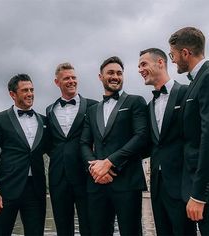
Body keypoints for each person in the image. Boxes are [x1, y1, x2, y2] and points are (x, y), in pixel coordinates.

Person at [80, 56, 149, 236]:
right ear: (100, 76)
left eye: (119, 73)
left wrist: (109, 163)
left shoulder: (136, 101)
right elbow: (84, 143)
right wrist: (95, 168)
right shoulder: (92, 110)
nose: (115, 76)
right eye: (110, 73)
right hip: (97, 184)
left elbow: (141, 136)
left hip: (127, 182)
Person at [138, 48, 196, 236]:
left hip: (183, 186)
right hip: (157, 187)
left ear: (161, 62)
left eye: (143, 64)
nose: (140, 69)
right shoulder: (148, 106)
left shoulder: (187, 93)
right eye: (139, 66)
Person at [0, 74, 47, 236]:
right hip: (6, 190)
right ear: (12, 94)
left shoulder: (44, 121)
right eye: (25, 90)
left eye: (32, 89)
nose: (30, 93)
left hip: (36, 190)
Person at [169, 26, 209, 235]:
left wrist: (199, 195)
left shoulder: (208, 78)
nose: (173, 60)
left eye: (173, 55)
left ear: (185, 52)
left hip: (208, 193)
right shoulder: (200, 79)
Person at [46, 62, 97, 236]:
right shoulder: (49, 110)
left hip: (86, 176)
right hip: (58, 178)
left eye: (74, 77)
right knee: (62, 228)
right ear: (57, 82)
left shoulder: (93, 106)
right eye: (66, 78)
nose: (71, 81)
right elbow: (49, 143)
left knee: (89, 227)